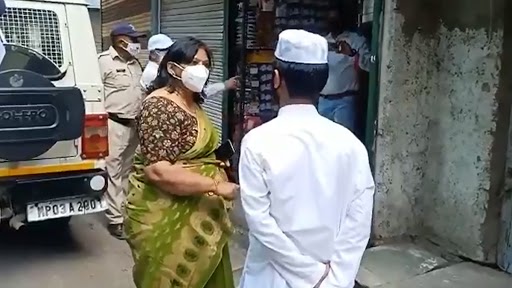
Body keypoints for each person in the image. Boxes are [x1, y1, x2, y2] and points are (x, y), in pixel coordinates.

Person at [238, 29, 375, 288]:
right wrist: (335, 279)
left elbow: (260, 222)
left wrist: (309, 273)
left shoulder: (257, 142)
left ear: (276, 79)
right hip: (330, 277)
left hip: (269, 278)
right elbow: (357, 225)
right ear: (322, 82)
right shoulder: (352, 146)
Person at [124, 36, 239, 288]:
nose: (202, 69)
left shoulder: (192, 101)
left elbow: (192, 154)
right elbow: (159, 172)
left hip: (201, 214)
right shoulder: (159, 106)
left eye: (206, 64)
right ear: (173, 67)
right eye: (194, 62)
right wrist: (216, 186)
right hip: (165, 215)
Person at [98, 22, 146, 239]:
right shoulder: (103, 62)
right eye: (134, 39)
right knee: (113, 171)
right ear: (120, 40)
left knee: (127, 171)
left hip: (134, 125)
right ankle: (115, 219)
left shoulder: (136, 63)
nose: (137, 43)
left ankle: (125, 213)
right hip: (113, 124)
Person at [318, 7, 371, 133]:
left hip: (345, 101)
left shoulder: (356, 40)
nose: (332, 23)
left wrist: (352, 54)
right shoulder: (323, 42)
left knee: (344, 140)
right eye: (329, 19)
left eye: (335, 19)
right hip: (323, 102)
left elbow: (370, 65)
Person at [140, 34, 240, 96]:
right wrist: (224, 85)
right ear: (153, 54)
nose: (200, 68)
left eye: (205, 64)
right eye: (194, 63)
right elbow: (204, 92)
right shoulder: (153, 74)